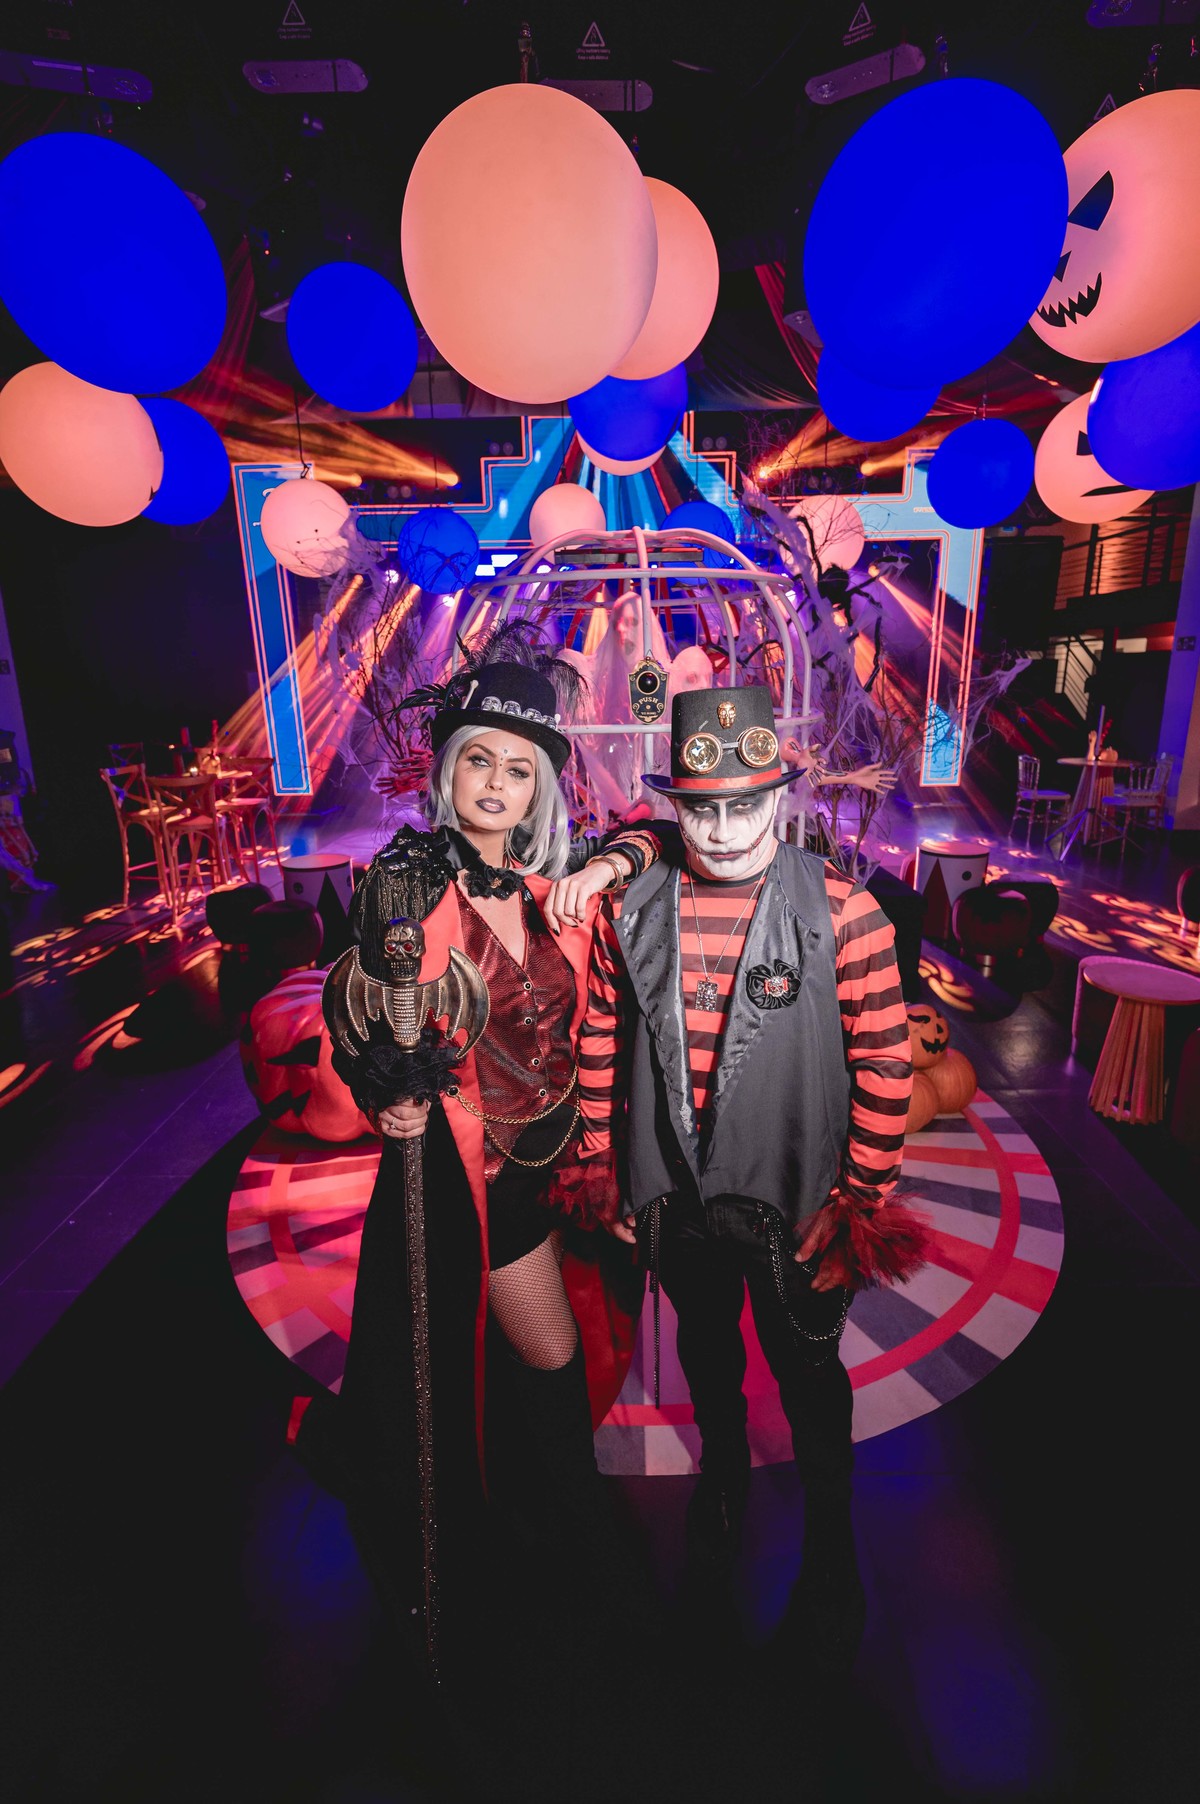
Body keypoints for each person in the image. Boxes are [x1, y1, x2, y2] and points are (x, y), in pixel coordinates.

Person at [297, 630, 660, 1672]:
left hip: (571, 1165)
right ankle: (583, 1550)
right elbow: (367, 1021)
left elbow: (661, 833)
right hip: (479, 1179)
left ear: (541, 788)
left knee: (566, 1346)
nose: (496, 784)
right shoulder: (409, 887)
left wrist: (611, 860)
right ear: (449, 769)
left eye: (519, 769)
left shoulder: (554, 888)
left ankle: (553, 1520)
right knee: (547, 1354)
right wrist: (387, 1096)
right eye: (479, 761)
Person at [575, 683, 925, 1674]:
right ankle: (722, 1476)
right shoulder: (629, 907)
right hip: (679, 1195)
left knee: (810, 1371)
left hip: (797, 1199)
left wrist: (861, 1197)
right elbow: (600, 1037)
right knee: (706, 1347)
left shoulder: (846, 909)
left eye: (744, 804)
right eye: (701, 807)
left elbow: (886, 1058)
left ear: (780, 796)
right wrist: (601, 1164)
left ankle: (831, 1535)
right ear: (674, 807)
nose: (724, 828)